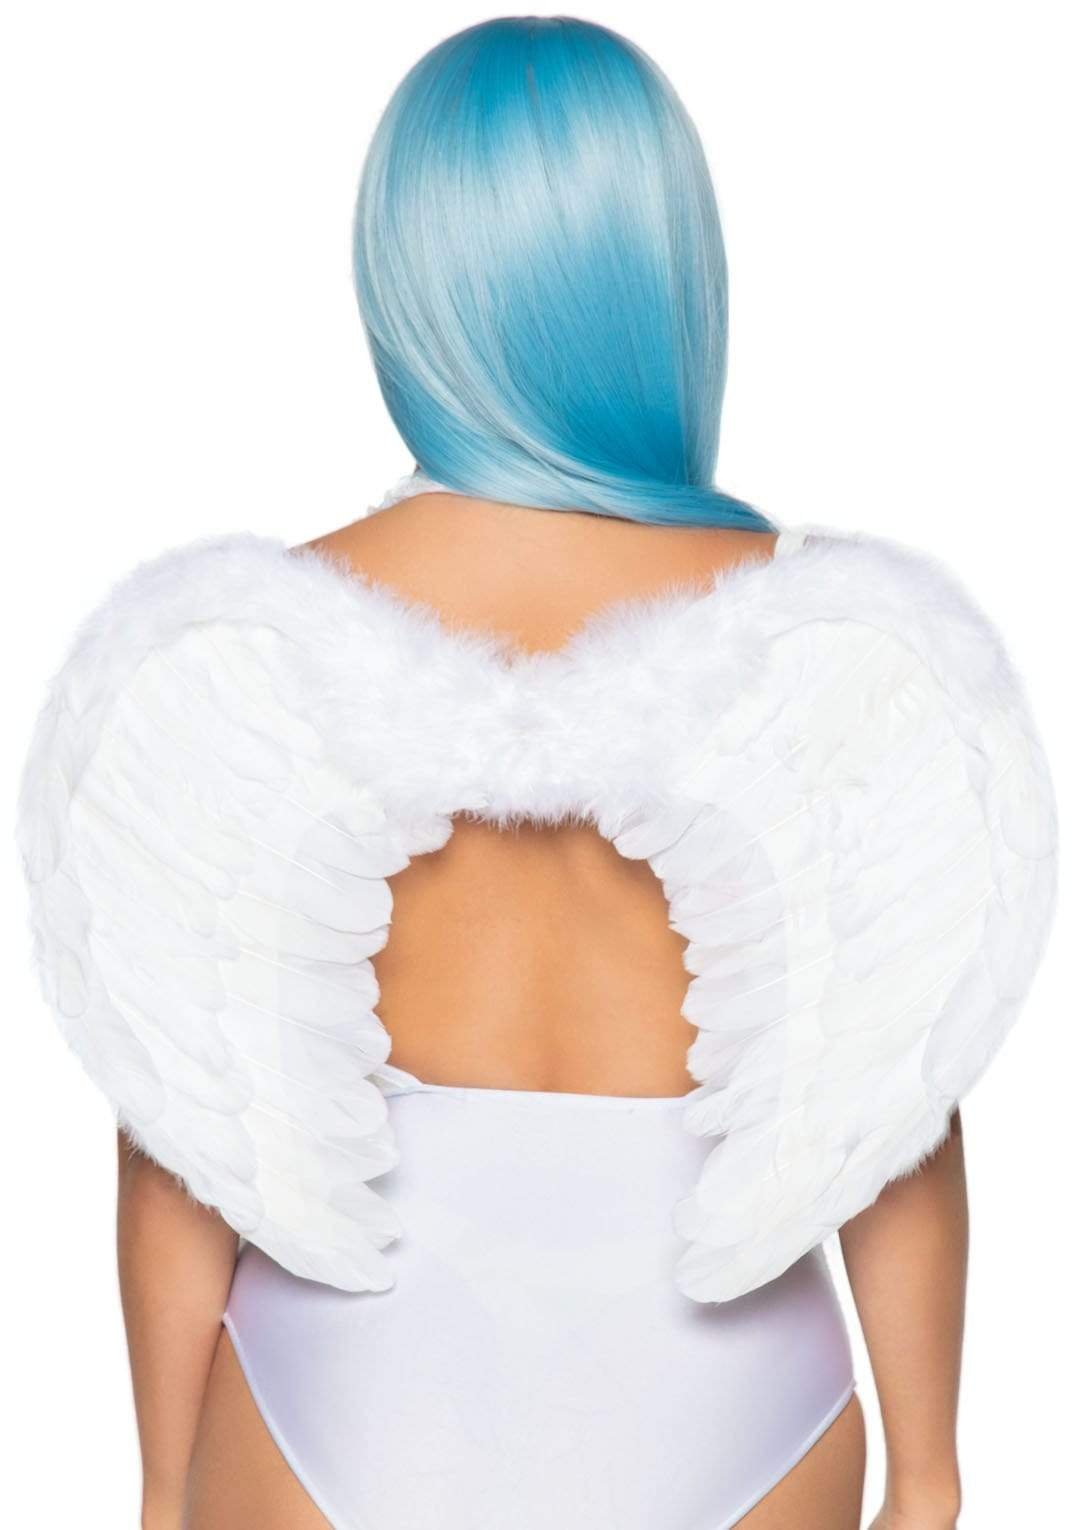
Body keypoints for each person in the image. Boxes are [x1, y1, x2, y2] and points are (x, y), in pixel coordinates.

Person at [17, 17, 1057, 1530]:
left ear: (408, 293)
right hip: (742, 1413)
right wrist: (933, 1473)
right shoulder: (839, 658)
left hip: (346, 1399)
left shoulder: (235, 661)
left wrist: (168, 1484)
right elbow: (895, 1098)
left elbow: (179, 1128)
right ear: (671, 284)